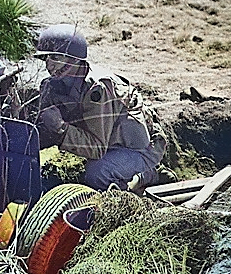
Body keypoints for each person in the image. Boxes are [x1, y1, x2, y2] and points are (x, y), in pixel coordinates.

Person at [36, 24, 171, 191]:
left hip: (141, 148)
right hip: (111, 143)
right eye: (46, 58)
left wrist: (61, 128)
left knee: (98, 173)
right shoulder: (52, 86)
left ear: (74, 59)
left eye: (56, 58)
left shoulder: (98, 88)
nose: (49, 66)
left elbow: (97, 148)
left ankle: (146, 176)